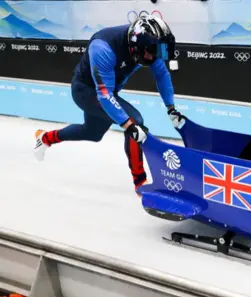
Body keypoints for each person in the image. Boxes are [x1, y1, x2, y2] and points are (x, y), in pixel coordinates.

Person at [33, 14, 188, 192]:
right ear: (137, 46)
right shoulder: (102, 48)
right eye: (152, 52)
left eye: (158, 52)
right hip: (86, 91)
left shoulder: (148, 47)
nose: (154, 57)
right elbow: (104, 95)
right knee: (135, 122)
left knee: (92, 133)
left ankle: (45, 138)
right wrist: (129, 125)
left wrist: (171, 108)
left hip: (105, 92)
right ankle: (140, 183)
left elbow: (162, 75)